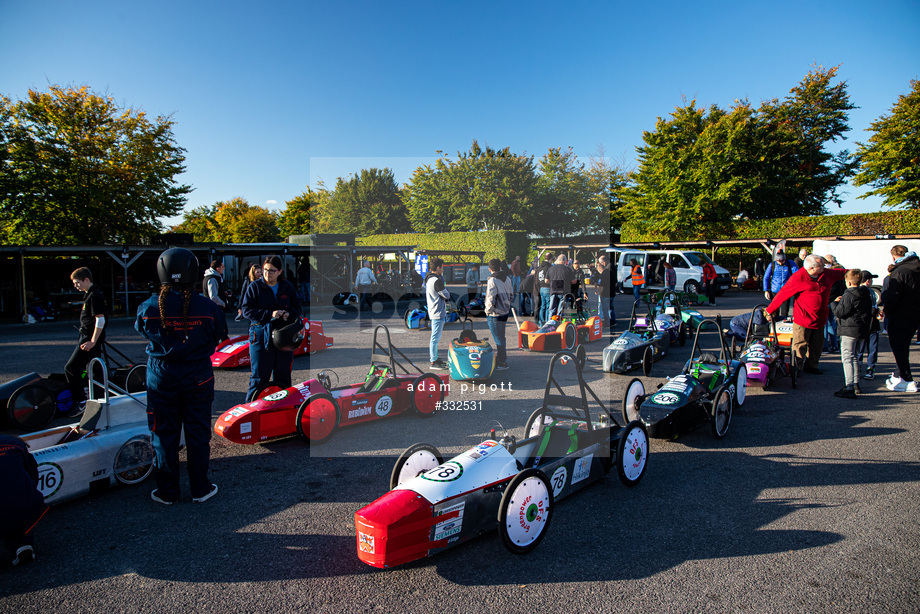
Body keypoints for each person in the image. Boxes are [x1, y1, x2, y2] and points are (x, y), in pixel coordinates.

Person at [135, 248, 228, 505]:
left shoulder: (148, 307)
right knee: (197, 432)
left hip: (161, 375)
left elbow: (143, 331)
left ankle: (167, 491)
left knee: (163, 433)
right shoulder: (208, 307)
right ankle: (200, 488)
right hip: (197, 373)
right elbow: (218, 335)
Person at [765, 255, 847, 375]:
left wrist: (856, 273)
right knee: (800, 345)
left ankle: (812, 366)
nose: (824, 266)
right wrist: (769, 310)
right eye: (821, 265)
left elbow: (841, 273)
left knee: (817, 345)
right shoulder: (798, 277)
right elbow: (782, 295)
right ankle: (796, 369)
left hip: (820, 318)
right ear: (812, 268)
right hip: (803, 319)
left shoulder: (826, 274)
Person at [241, 255, 302, 401]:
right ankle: (250, 411)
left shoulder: (287, 287)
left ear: (280, 271)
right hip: (261, 335)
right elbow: (246, 310)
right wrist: (270, 314)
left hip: (283, 337)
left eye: (272, 271)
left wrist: (289, 314)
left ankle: (284, 410)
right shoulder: (255, 287)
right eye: (265, 270)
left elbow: (298, 307)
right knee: (259, 378)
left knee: (283, 377)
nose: (268, 274)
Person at [64, 267, 107, 415]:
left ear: (86, 280)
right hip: (87, 339)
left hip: (89, 341)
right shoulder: (90, 295)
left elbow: (100, 320)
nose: (76, 286)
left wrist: (93, 341)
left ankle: (81, 401)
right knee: (94, 371)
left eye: (77, 283)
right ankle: (98, 400)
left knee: (71, 368)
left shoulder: (94, 296)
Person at [0, 434, 47, 565]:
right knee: (15, 503)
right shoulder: (14, 442)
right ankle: (21, 544)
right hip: (29, 505)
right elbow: (32, 475)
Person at [879, 245, 920, 392]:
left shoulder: (900, 271)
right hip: (914, 313)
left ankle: (906, 380)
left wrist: (886, 309)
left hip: (900, 314)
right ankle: (899, 376)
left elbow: (893, 296)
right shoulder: (915, 268)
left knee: (899, 348)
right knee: (903, 347)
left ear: (893, 256)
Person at [831, 269, 873, 399]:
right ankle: (855, 384)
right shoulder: (866, 293)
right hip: (861, 328)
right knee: (854, 356)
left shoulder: (849, 294)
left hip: (849, 328)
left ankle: (848, 386)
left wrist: (834, 303)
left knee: (847, 357)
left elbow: (840, 312)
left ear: (848, 282)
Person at [484, 258, 513, 370]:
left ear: (489, 269)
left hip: (495, 313)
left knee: (498, 338)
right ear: (500, 267)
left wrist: (488, 310)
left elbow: (490, 298)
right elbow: (511, 295)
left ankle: (502, 361)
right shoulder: (507, 279)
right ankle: (502, 358)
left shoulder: (492, 280)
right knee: (502, 337)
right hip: (505, 311)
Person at [425, 257, 451, 370]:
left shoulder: (429, 279)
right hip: (437, 312)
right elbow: (447, 295)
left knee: (435, 337)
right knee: (435, 338)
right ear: (438, 267)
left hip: (433, 310)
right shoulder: (436, 281)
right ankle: (433, 361)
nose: (443, 270)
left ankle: (435, 358)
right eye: (442, 267)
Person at [857, 271, 881, 380]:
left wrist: (877, 312)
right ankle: (869, 368)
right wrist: (876, 311)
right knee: (871, 348)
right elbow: (868, 308)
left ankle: (860, 367)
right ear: (867, 280)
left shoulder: (862, 291)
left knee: (862, 348)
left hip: (865, 324)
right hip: (868, 324)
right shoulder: (866, 292)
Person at [763, 251, 798, 318]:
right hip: (775, 290)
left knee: (785, 311)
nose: (781, 263)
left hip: (786, 291)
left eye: (783, 260)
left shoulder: (790, 264)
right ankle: (775, 323)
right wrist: (766, 290)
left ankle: (784, 324)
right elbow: (766, 277)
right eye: (779, 261)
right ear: (776, 260)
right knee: (775, 310)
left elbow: (797, 275)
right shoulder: (772, 265)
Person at [596, 255, 616, 329]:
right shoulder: (612, 272)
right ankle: (613, 320)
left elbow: (600, 283)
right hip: (612, 293)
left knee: (605, 309)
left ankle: (607, 323)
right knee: (611, 308)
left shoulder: (603, 274)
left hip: (605, 293)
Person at [537, 255, 553, 325]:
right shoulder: (549, 267)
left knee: (542, 306)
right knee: (548, 306)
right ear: (551, 259)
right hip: (547, 287)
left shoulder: (540, 267)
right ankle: (547, 322)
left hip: (541, 288)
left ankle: (541, 322)